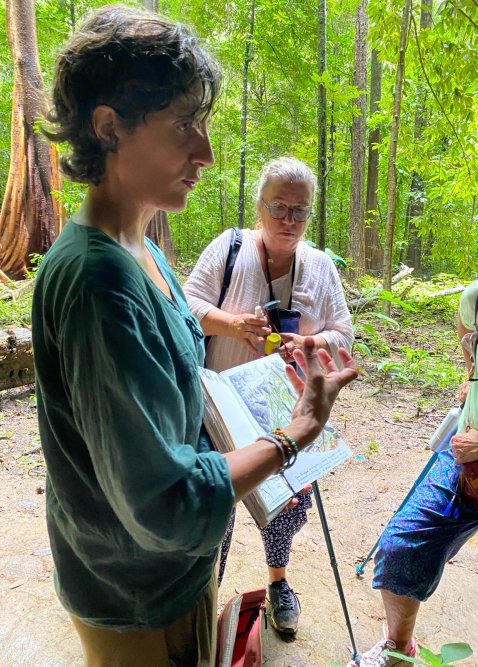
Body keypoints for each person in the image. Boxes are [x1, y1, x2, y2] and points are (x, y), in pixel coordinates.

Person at [32, 7, 358, 667]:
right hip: (137, 597)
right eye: (185, 124)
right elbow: (168, 505)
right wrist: (295, 432)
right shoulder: (99, 282)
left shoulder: (140, 249)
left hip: (167, 576)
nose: (206, 153)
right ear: (109, 127)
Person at [184, 156, 354, 635]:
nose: (288, 220)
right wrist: (231, 324)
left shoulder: (320, 266)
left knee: (284, 508)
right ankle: (205, 595)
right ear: (259, 206)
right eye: (278, 206)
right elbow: (186, 305)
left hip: (286, 410)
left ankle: (278, 581)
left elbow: (344, 332)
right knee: (216, 505)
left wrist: (311, 343)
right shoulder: (230, 248)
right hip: (218, 411)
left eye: (300, 210)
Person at [349, 278, 478, 667]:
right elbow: (468, 324)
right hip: (473, 465)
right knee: (401, 545)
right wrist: (473, 373)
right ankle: (400, 647)